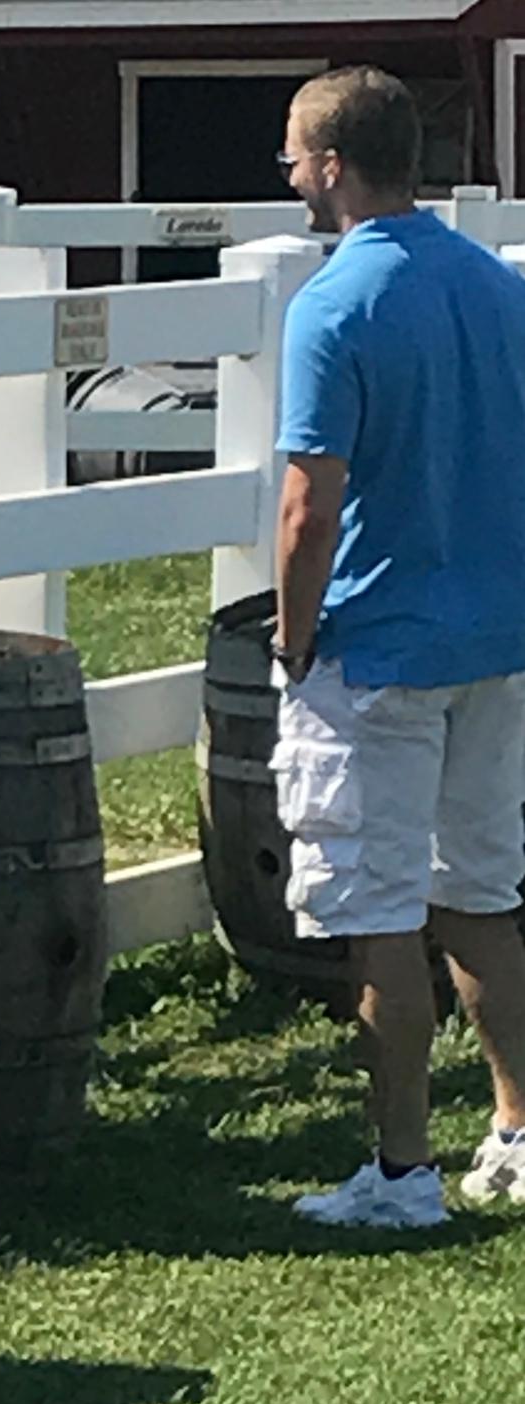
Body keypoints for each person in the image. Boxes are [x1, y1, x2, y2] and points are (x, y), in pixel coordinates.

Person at [270, 65, 525, 1229]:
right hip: (498, 635)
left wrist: (293, 637)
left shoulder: (334, 305)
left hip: (377, 644)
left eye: (293, 157)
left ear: (332, 166)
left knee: (376, 914)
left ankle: (403, 1170)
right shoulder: (497, 285)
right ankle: (515, 1129)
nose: (290, 176)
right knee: (483, 893)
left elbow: (308, 507)